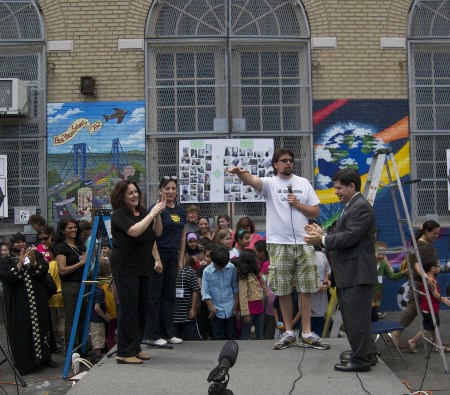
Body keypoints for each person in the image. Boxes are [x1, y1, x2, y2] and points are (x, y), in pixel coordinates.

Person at [228, 148, 328, 351]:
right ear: (275, 164)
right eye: (283, 160)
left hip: (303, 242)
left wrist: (297, 204)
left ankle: (307, 332)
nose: (288, 163)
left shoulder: (303, 183)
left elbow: (316, 210)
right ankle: (289, 332)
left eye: (290, 160)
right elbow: (252, 181)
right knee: (282, 289)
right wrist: (240, 173)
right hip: (279, 243)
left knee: (306, 288)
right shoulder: (270, 184)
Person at [305, 167, 377, 372]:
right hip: (350, 274)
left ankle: (361, 361)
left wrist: (322, 239)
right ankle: (364, 354)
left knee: (356, 320)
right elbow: (342, 232)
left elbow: (349, 237)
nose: (336, 191)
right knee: (355, 318)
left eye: (339, 188)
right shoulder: (351, 206)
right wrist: (323, 232)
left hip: (357, 274)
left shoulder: (360, 207)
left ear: (351, 186)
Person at [110, 180, 165, 364]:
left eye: (136, 192)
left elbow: (156, 234)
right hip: (125, 268)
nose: (135, 195)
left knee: (142, 308)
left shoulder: (142, 213)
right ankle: (124, 353)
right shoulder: (119, 215)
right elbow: (134, 231)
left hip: (143, 266)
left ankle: (135, 347)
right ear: (122, 196)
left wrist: (157, 216)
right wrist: (151, 214)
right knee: (128, 309)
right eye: (130, 193)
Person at [0, 232, 58, 374]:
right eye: (17, 242)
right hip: (19, 303)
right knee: (23, 331)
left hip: (38, 300)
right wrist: (20, 263)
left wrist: (33, 262)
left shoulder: (35, 254)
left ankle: (45, 358)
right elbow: (8, 278)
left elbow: (43, 272)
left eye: (22, 241)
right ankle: (26, 363)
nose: (20, 244)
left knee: (43, 326)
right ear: (12, 244)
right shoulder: (6, 260)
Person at [145, 176, 184, 346]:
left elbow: (182, 236)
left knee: (169, 296)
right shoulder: (155, 208)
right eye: (167, 188)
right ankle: (153, 335)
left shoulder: (180, 210)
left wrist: (181, 258)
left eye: (173, 188)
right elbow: (154, 235)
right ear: (160, 190)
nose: (170, 192)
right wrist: (157, 259)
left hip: (173, 257)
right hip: (157, 257)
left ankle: (169, 333)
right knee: (154, 297)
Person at [391, 220, 441, 346]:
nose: (437, 236)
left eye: (438, 233)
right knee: (414, 308)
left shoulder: (421, 244)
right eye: (434, 233)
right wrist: (426, 277)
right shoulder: (422, 246)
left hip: (424, 281)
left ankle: (434, 339)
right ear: (426, 231)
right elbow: (416, 264)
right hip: (422, 283)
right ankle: (396, 334)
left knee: (428, 309)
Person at [54, 218, 88, 352]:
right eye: (70, 228)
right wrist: (81, 263)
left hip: (82, 283)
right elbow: (62, 270)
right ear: (63, 230)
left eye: (74, 227)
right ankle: (71, 351)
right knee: (72, 318)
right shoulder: (61, 247)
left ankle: (81, 348)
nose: (73, 230)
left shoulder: (80, 246)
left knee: (82, 317)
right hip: (70, 285)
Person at [407, 257, 450, 354]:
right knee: (428, 328)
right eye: (439, 266)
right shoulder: (431, 280)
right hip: (430, 307)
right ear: (433, 268)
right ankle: (413, 341)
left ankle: (437, 346)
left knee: (434, 326)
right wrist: (444, 300)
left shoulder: (429, 278)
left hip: (429, 306)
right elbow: (435, 294)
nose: (440, 268)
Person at [201, 245, 238, 340]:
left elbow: (235, 288)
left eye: (223, 266)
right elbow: (205, 292)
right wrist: (212, 309)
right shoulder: (207, 272)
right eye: (219, 266)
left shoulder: (231, 268)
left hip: (230, 308)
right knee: (218, 337)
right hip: (216, 311)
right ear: (213, 260)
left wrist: (235, 306)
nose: (221, 268)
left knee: (231, 336)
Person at [372, 241, 407, 322]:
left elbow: (392, 277)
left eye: (383, 254)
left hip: (376, 297)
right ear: (373, 252)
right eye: (379, 253)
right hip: (365, 296)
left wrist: (402, 273)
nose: (381, 256)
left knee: (373, 319)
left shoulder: (383, 264)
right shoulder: (367, 262)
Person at [238, 250, 267, 340]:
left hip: (260, 308)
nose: (258, 261)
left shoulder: (257, 275)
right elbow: (242, 296)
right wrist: (245, 314)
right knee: (246, 332)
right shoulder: (244, 278)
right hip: (250, 309)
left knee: (260, 332)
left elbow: (263, 289)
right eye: (255, 259)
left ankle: (259, 351)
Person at [173, 255, 202, 340]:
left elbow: (195, 290)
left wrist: (193, 308)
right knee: (175, 342)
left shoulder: (190, 271)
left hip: (187, 313)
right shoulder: (170, 270)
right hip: (173, 314)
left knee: (192, 341)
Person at [90, 260, 111, 364]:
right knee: (98, 338)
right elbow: (97, 308)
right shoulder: (99, 292)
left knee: (98, 337)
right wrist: (105, 316)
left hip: (97, 319)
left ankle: (97, 353)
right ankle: (96, 355)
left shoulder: (96, 289)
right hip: (97, 320)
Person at [311, 245, 331, 336]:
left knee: (318, 331)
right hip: (306, 305)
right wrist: (315, 286)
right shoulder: (303, 256)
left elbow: (327, 270)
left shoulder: (321, 255)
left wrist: (326, 280)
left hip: (320, 304)